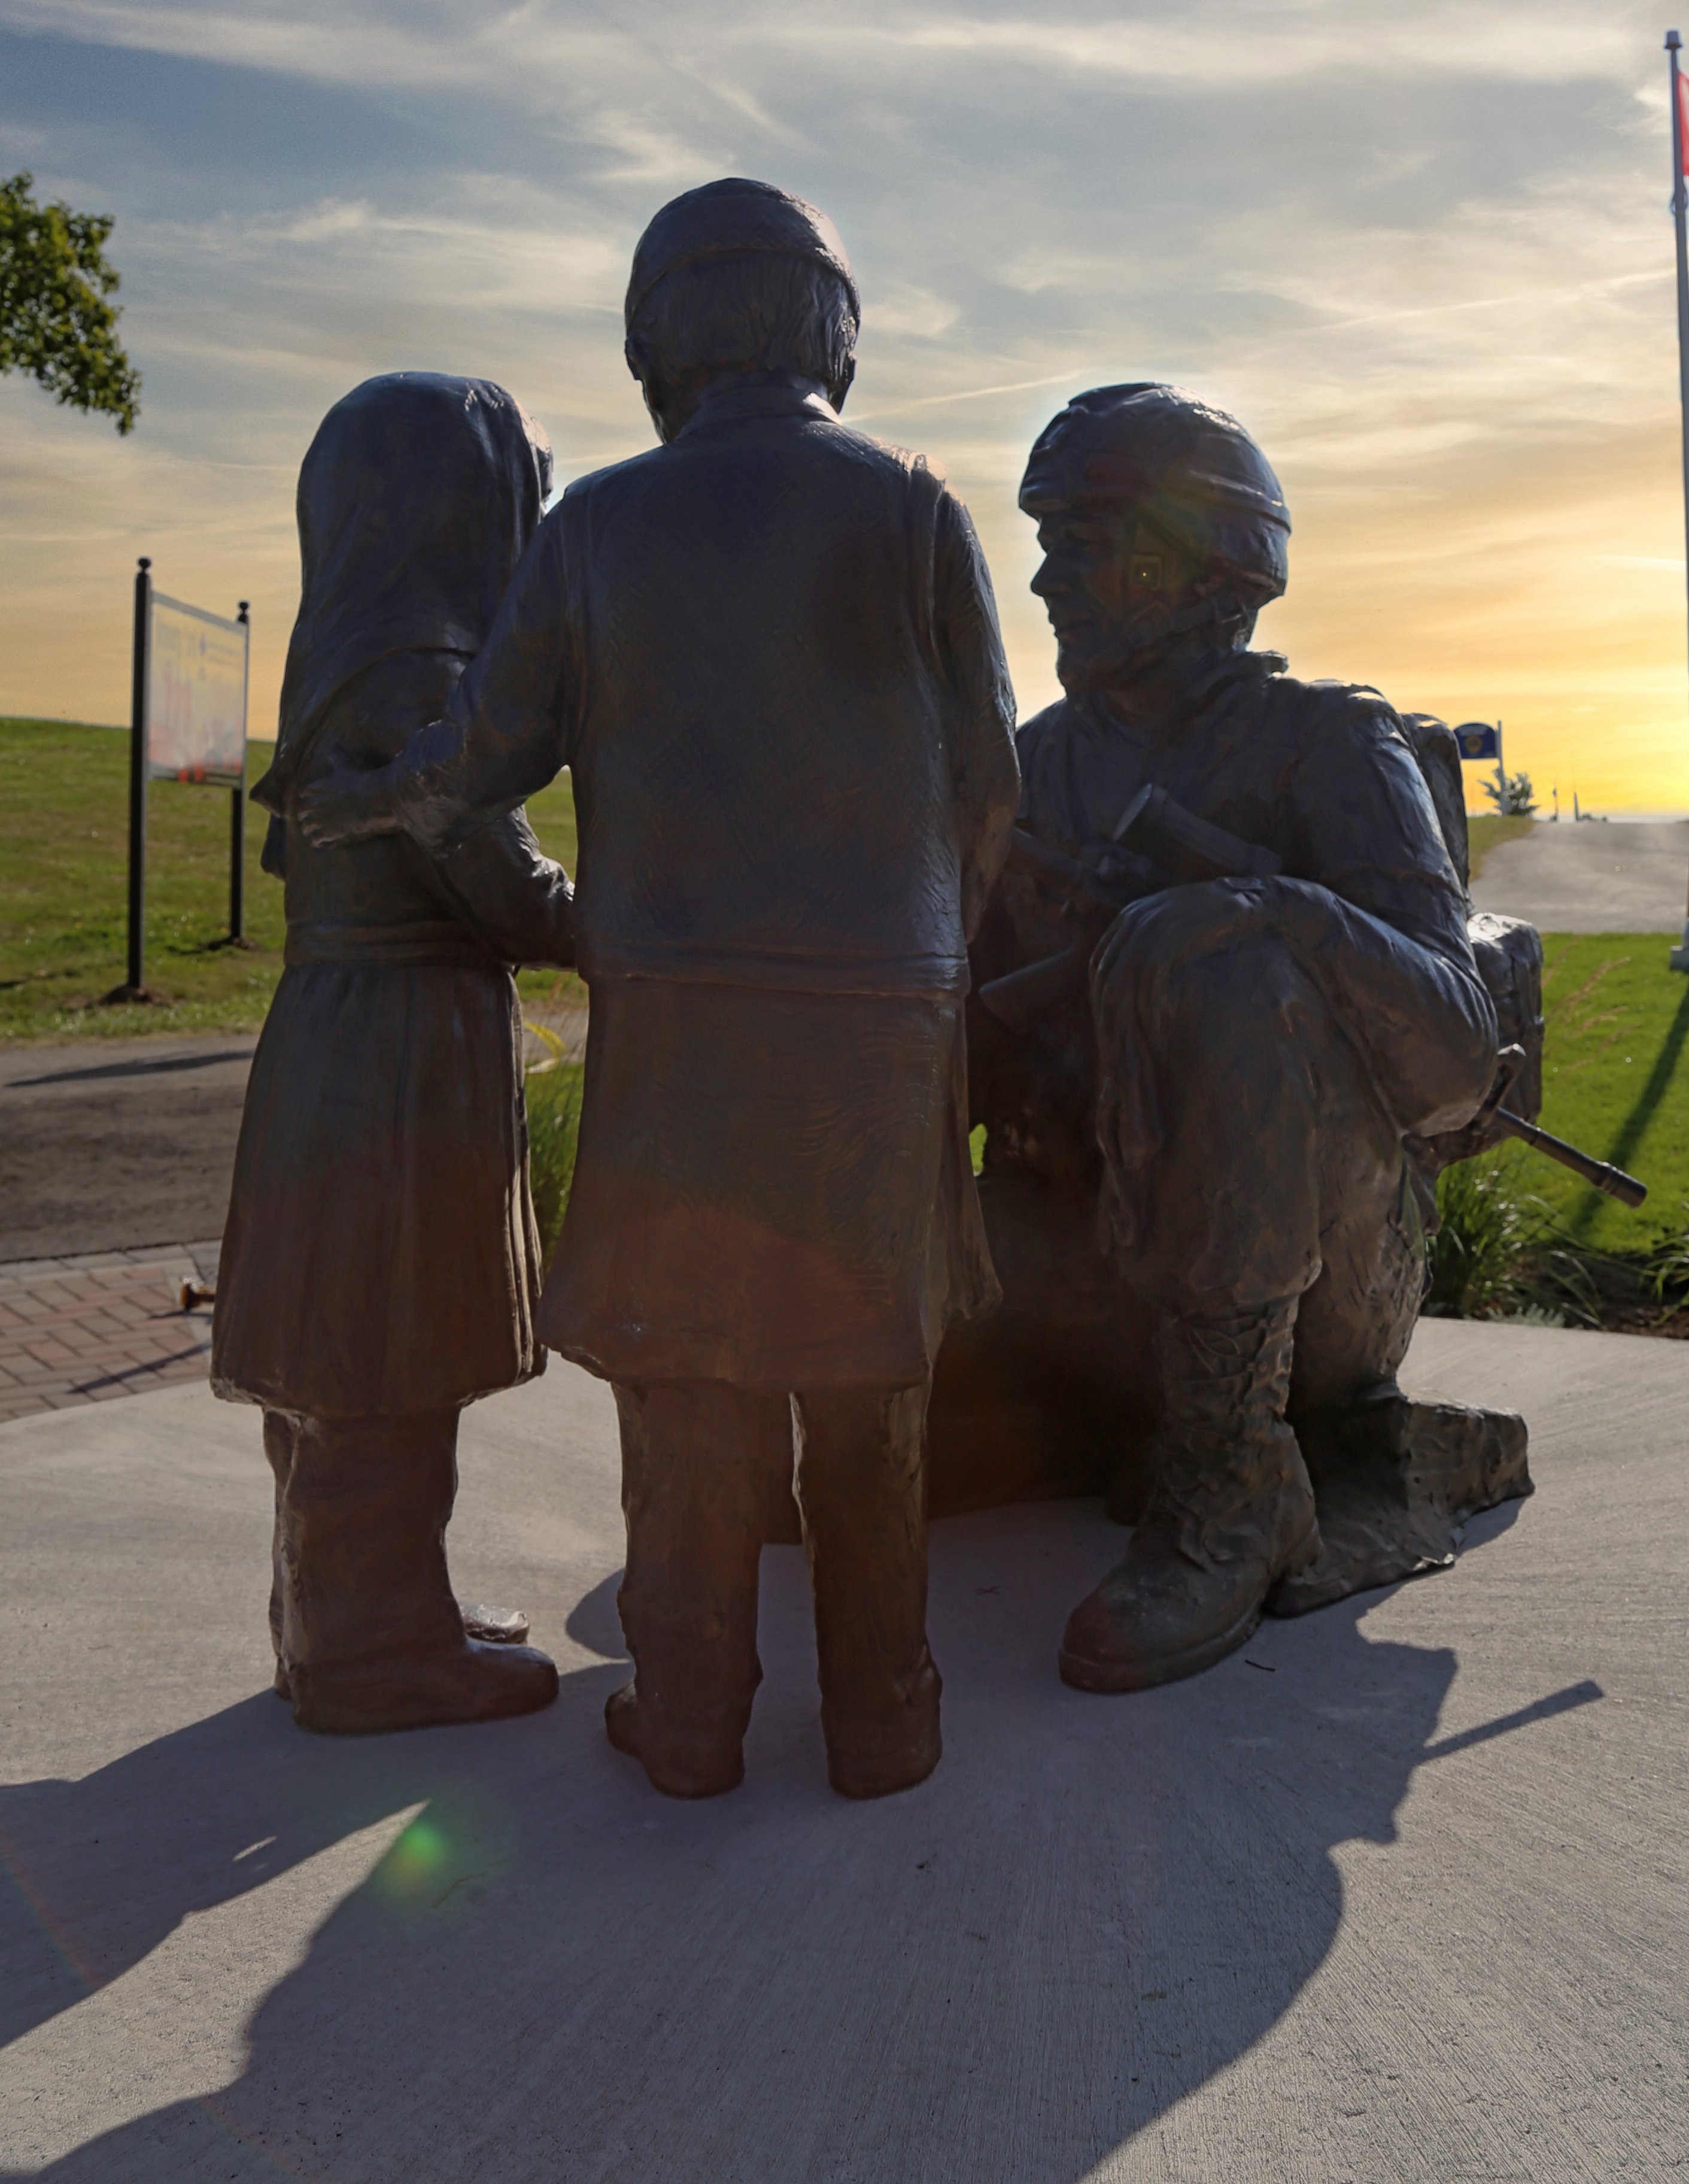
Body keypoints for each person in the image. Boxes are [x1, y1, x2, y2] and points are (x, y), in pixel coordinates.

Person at [300, 180, 1019, 1801]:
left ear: (656, 344)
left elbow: (484, 756)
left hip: (681, 1024)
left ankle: (689, 1716)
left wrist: (376, 788)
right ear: (833, 331)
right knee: (870, 1388)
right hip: (879, 1025)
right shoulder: (916, 508)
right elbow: (989, 780)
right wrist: (922, 955)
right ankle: (884, 1716)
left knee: (688, 1378)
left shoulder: (598, 525)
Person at [958, 383, 1515, 1694]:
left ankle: (1232, 1480)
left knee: (1218, 962)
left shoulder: (1328, 743)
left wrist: (1271, 910)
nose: (1043, 579)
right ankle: (1032, 1394)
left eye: (1083, 539)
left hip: (1311, 1295)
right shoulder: (1032, 766)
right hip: (1079, 1252)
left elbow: (1454, 1055)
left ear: (1204, 564)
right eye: (1043, 538)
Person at [214, 372, 573, 1734]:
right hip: (402, 1051)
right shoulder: (428, 670)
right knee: (388, 1350)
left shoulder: (341, 654)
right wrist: (638, 931)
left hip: (332, 1035)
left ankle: (347, 1614)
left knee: (331, 1359)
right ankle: (375, 1655)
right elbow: (501, 884)